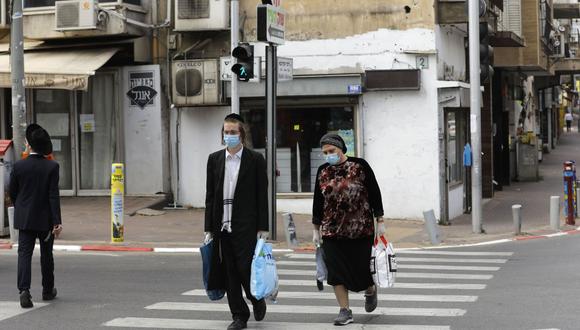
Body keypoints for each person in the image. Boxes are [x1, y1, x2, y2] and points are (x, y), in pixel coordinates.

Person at [204, 113, 269, 330]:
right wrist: (208, 229)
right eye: (226, 132)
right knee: (229, 272)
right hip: (222, 226)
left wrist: (263, 226)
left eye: (233, 132)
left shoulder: (255, 160)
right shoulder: (214, 159)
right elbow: (210, 196)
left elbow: (262, 195)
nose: (229, 136)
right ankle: (239, 315)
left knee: (245, 268)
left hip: (246, 226)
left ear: (242, 134)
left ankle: (256, 298)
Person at [312, 133, 385, 326]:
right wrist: (315, 227)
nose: (328, 155)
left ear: (341, 149)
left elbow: (374, 192)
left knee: (362, 270)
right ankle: (344, 311)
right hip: (332, 232)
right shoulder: (322, 171)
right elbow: (318, 201)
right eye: (325, 152)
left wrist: (380, 219)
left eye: (332, 151)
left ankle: (370, 289)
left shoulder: (360, 166)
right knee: (336, 272)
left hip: (360, 229)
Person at [9, 124, 62, 308]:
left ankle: (24, 291)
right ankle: (48, 290)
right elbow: (53, 196)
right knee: (47, 255)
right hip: (45, 220)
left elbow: (13, 192)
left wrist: (22, 207)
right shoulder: (52, 167)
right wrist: (57, 222)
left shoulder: (18, 166)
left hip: (24, 219)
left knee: (24, 254)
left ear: (29, 146)